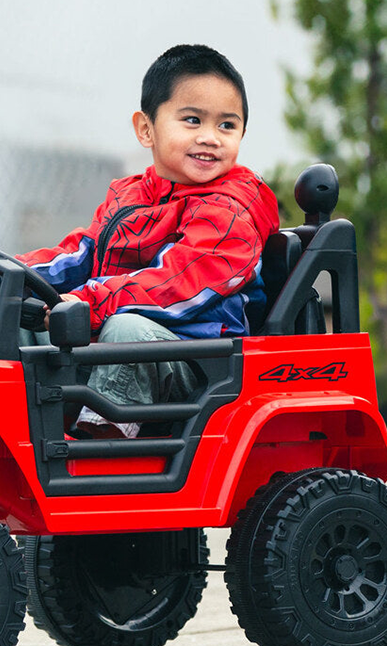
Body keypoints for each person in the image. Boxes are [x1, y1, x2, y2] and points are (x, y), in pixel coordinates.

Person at [17, 44, 280, 439]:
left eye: (227, 125)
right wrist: (8, 274)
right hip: (112, 342)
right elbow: (82, 253)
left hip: (199, 364)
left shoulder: (231, 212)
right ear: (146, 129)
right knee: (18, 325)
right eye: (192, 120)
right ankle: (15, 440)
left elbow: (176, 284)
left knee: (127, 331)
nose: (210, 137)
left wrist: (90, 303)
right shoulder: (130, 196)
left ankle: (103, 448)